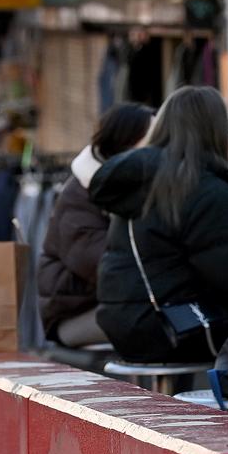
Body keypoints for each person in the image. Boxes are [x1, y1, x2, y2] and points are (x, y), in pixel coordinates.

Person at [90, 86, 228, 362]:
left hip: (124, 325)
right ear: (214, 131)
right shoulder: (206, 190)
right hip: (175, 329)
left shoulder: (141, 181)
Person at [38, 103, 154, 347]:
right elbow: (104, 267)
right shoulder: (80, 194)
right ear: (126, 143)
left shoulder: (136, 186)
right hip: (75, 314)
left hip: (117, 304)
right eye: (151, 139)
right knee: (165, 323)